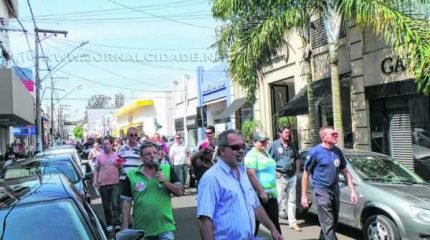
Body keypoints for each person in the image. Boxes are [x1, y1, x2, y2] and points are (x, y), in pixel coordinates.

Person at [197, 129, 283, 240]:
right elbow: (204, 220)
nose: (241, 150)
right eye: (235, 147)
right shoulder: (211, 178)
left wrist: (273, 228)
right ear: (222, 150)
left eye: (243, 146)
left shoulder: (242, 173)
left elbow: (256, 206)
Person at [301, 126, 358, 240]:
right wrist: (304, 196)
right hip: (321, 190)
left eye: (336, 133)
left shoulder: (337, 151)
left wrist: (352, 191)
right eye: (333, 134)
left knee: (333, 223)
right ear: (324, 137)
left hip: (335, 190)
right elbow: (306, 174)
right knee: (328, 222)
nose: (336, 135)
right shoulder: (315, 152)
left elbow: (345, 172)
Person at [121, 141, 183, 240]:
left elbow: (179, 192)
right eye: (148, 154)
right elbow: (126, 202)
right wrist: (124, 228)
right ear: (141, 158)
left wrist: (165, 182)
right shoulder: (131, 175)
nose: (152, 156)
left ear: (159, 155)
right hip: (142, 230)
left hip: (165, 228)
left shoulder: (167, 170)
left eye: (155, 153)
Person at [245, 132, 281, 236]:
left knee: (273, 222)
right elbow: (251, 174)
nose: (264, 143)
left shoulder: (265, 152)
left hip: (271, 194)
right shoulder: (252, 154)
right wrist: (261, 192)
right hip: (261, 195)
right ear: (254, 142)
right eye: (261, 141)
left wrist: (275, 172)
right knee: (256, 224)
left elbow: (266, 167)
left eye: (265, 141)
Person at [269, 126, 302, 231]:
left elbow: (297, 158)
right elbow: (268, 160)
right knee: (278, 200)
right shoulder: (274, 145)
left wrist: (297, 171)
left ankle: (292, 222)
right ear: (280, 133)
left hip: (292, 176)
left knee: (292, 200)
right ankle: (273, 221)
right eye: (286, 132)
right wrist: (274, 172)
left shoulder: (292, 145)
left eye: (289, 132)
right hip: (280, 176)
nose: (288, 134)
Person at [93, 137, 122, 232]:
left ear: (111, 144)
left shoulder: (116, 155)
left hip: (115, 183)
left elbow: (121, 167)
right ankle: (109, 223)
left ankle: (117, 223)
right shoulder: (99, 157)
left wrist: (120, 165)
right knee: (106, 206)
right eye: (103, 144)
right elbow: (96, 169)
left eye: (107, 144)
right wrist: (95, 181)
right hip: (103, 184)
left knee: (115, 204)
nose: (105, 146)